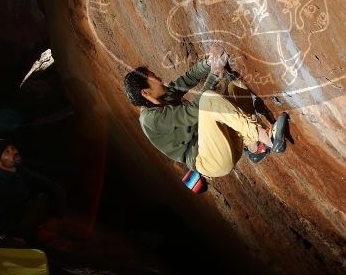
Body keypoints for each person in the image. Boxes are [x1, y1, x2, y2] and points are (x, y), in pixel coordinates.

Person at [123, 45, 289, 178]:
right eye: (154, 78)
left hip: (221, 143)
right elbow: (194, 112)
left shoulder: (161, 97)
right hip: (210, 160)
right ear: (146, 92)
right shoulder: (151, 120)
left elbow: (187, 79)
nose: (159, 78)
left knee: (235, 86)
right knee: (208, 99)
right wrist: (215, 72)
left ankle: (254, 147)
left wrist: (209, 62)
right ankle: (268, 138)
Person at [0, 139, 66, 242]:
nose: (14, 152)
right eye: (6, 152)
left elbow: (54, 188)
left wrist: (55, 216)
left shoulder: (21, 172)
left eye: (12, 148)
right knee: (3, 242)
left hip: (16, 222)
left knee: (45, 197)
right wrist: (36, 234)